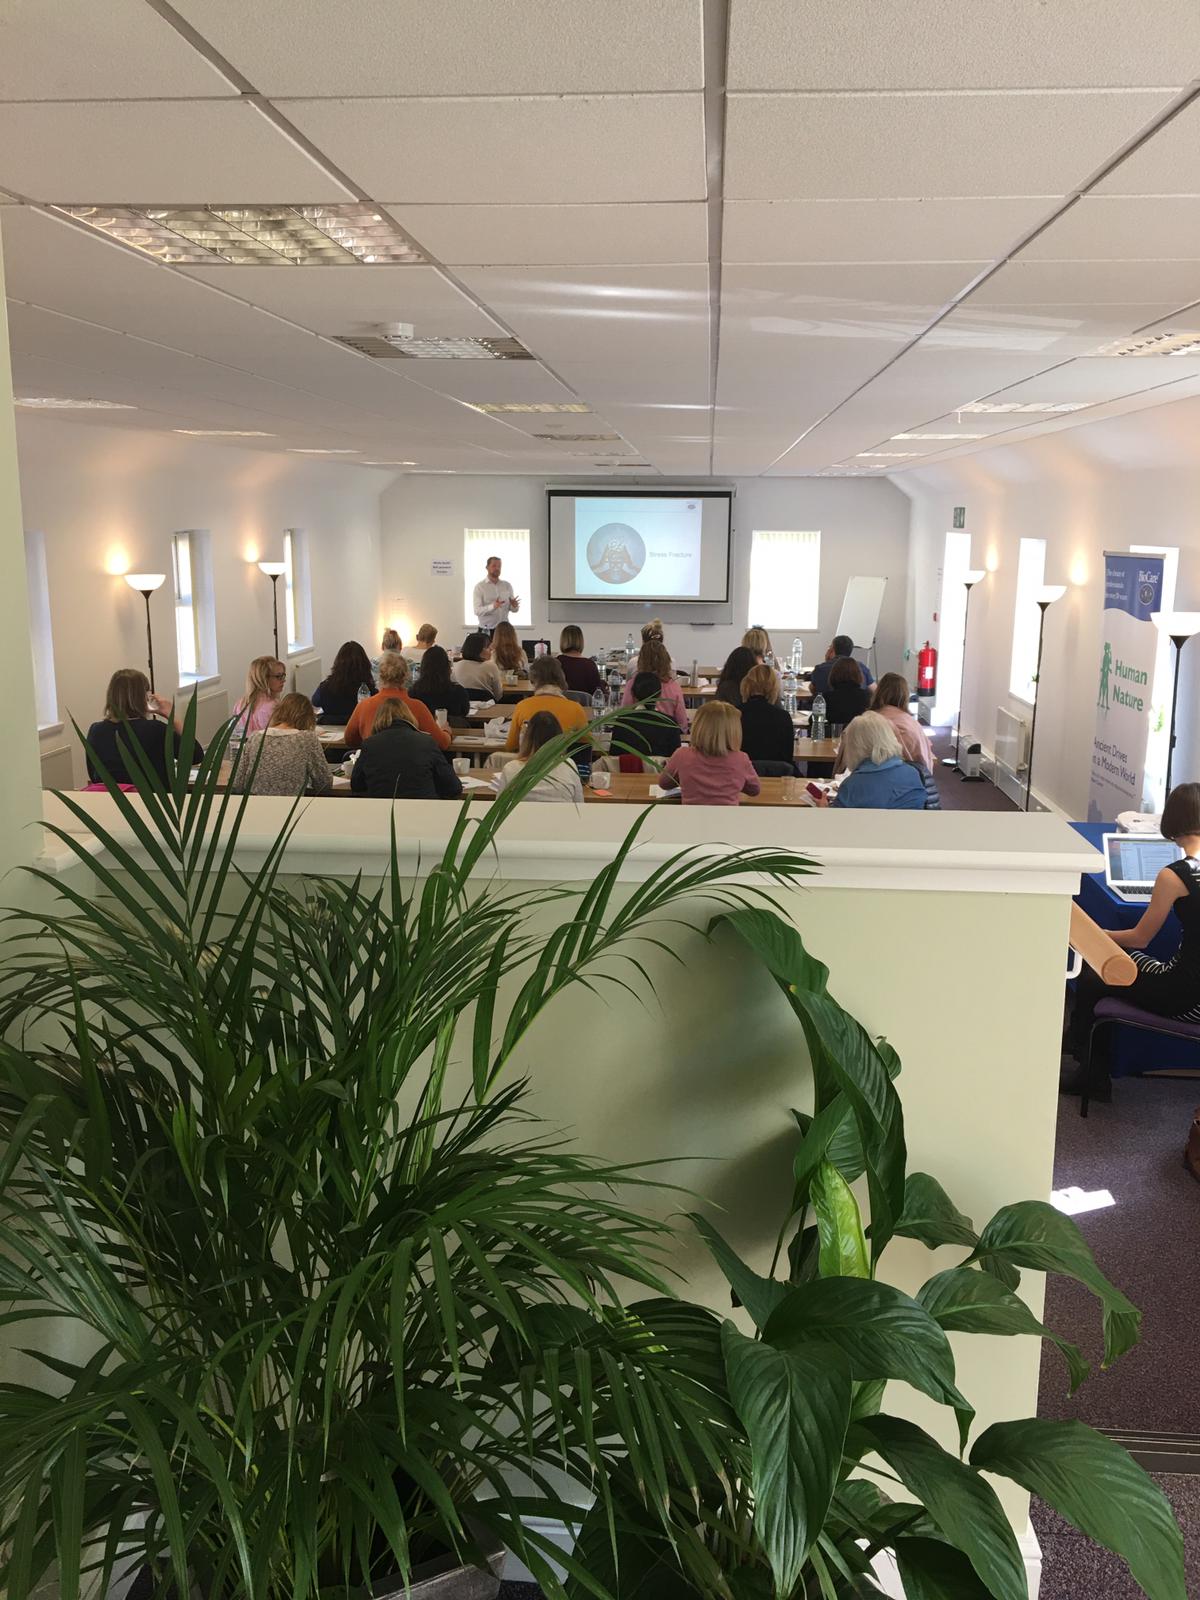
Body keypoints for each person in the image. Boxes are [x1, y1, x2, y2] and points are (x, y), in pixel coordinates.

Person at [1064, 783, 1200, 1106]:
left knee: (1102, 969)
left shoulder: (1175, 876)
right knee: (1121, 963)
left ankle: (1088, 1065)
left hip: (1186, 997)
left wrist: (1098, 935)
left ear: (1172, 821)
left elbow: (1141, 937)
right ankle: (1081, 1049)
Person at [86, 669, 204, 788]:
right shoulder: (155, 730)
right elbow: (195, 755)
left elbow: (94, 776)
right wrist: (171, 716)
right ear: (143, 697)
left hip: (109, 803)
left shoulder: (96, 731)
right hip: (155, 804)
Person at [350, 699, 463, 801]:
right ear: (409, 716)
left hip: (383, 814)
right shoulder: (426, 742)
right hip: (424, 812)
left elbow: (356, 785)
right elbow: (453, 787)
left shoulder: (369, 745)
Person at [657, 700, 761, 807]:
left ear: (698, 726)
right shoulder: (741, 759)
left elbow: (664, 784)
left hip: (691, 819)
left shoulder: (682, 755)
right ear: (734, 731)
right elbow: (754, 790)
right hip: (728, 820)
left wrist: (685, 777)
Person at [814, 712, 925, 810]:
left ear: (855, 746)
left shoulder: (852, 786)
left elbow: (837, 825)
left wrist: (824, 810)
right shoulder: (913, 774)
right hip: (907, 832)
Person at [343, 651, 451, 751]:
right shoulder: (417, 707)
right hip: (410, 767)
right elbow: (441, 743)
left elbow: (349, 740)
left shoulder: (364, 706)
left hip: (373, 768)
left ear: (380, 675)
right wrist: (446, 731)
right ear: (405, 676)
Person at [230, 693, 332, 797]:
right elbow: (324, 784)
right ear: (307, 718)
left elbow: (237, 783)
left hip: (256, 807)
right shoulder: (307, 739)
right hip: (291, 809)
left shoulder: (255, 737)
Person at [492, 711, 585, 803]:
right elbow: (580, 804)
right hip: (560, 817)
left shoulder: (510, 768)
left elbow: (498, 809)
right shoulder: (569, 765)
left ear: (527, 738)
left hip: (522, 818)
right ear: (558, 738)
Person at [505, 656, 589, 751]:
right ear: (561, 678)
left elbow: (511, 746)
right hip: (562, 762)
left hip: (530, 763)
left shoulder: (522, 706)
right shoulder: (576, 709)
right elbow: (587, 744)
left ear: (533, 680)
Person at [611, 672, 683, 766]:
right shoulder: (669, 723)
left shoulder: (622, 722)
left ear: (632, 693)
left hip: (627, 776)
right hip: (659, 778)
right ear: (659, 695)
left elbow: (613, 759)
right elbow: (675, 761)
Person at [869, 672, 933, 772]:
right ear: (904, 696)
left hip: (879, 777)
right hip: (914, 779)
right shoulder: (913, 724)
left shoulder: (869, 721)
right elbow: (925, 755)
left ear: (878, 692)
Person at [618, 640, 688, 730]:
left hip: (636, 736)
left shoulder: (632, 684)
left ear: (641, 660)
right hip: (666, 736)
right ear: (666, 660)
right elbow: (682, 723)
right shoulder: (674, 687)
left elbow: (623, 715)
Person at [739, 664, 795, 767]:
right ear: (775, 688)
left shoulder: (734, 714)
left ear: (746, 684)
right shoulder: (783, 717)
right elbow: (788, 757)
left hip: (741, 777)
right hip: (778, 776)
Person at [311, 641, 376, 726]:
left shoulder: (325, 687)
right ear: (364, 664)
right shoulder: (367, 690)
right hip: (359, 729)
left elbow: (315, 702)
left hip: (330, 730)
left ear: (338, 663)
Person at [409, 645, 471, 720]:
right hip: (454, 730)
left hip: (423, 730)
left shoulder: (413, 692)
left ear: (423, 667)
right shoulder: (458, 692)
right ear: (447, 667)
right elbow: (465, 712)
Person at [233, 657, 287, 735]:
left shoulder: (240, 703)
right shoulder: (271, 706)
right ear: (263, 679)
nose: (283, 680)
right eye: (278, 676)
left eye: (283, 675)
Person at [810, 635, 875, 697]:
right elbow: (874, 691)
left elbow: (813, 690)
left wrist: (827, 661)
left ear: (832, 650)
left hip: (828, 707)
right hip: (858, 708)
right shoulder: (861, 667)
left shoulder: (820, 669)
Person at [453, 631, 504, 703]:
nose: (491, 650)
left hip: (463, 707)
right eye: (488, 647)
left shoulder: (457, 665)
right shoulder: (491, 666)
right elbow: (498, 695)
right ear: (478, 650)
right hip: (488, 707)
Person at [472, 555, 519, 632]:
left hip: (504, 630)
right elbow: (477, 611)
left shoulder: (507, 585)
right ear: (487, 567)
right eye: (494, 566)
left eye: (499, 566)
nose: (497, 568)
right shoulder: (480, 587)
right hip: (487, 630)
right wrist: (493, 606)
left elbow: (514, 609)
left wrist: (514, 606)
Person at [825, 656, 870, 732]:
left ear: (834, 674)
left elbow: (813, 720)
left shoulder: (827, 697)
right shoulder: (866, 696)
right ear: (858, 674)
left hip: (833, 737)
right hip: (858, 738)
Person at [557, 625, 602, 696]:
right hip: (584, 706)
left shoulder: (556, 663)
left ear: (562, 641)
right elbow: (598, 693)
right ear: (581, 641)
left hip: (560, 705)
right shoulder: (590, 665)